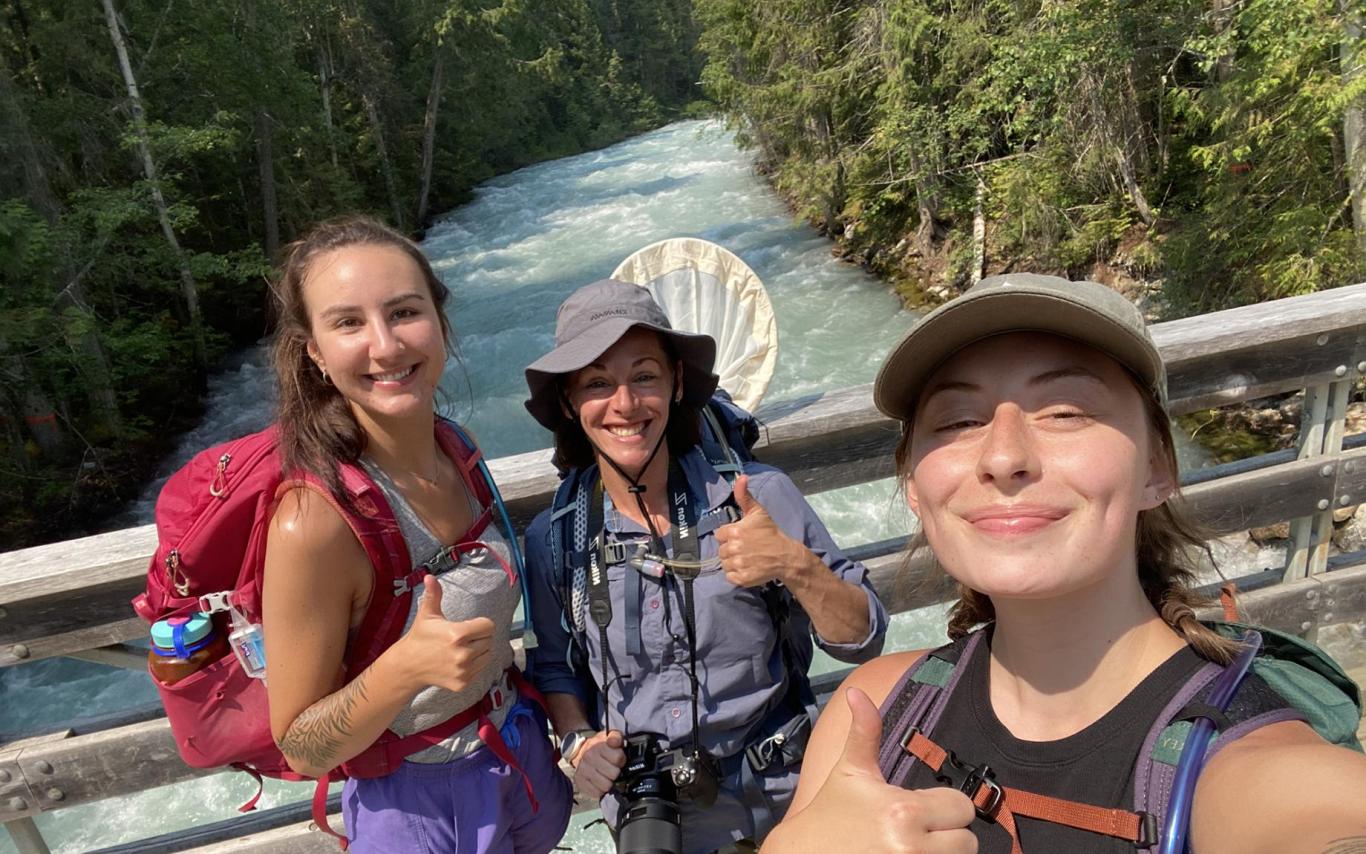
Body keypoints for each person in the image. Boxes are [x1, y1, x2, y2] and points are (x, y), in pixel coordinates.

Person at [766, 273, 1366, 854]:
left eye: (1065, 410)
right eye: (958, 422)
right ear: (916, 487)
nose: (1003, 456)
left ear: (1158, 467)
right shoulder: (875, 708)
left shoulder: (1247, 763)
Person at [521, 279, 890, 853]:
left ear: (676, 383)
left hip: (790, 791)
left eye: (644, 375)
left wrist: (794, 565)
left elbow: (862, 638)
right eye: (597, 383)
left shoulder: (758, 495)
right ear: (570, 403)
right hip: (654, 812)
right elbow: (555, 667)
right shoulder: (555, 537)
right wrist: (577, 742)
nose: (624, 404)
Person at [260, 217, 572, 853]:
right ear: (314, 350)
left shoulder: (455, 447)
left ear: (439, 320)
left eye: (404, 311)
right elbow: (301, 745)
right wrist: (400, 670)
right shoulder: (314, 522)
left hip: (514, 751)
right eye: (348, 323)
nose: (385, 345)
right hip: (418, 801)